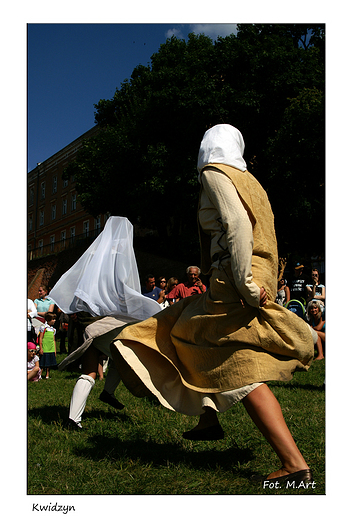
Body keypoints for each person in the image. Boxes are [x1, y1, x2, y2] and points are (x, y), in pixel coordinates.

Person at [110, 124, 316, 485]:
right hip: (246, 274)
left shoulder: (214, 172)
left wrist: (246, 285)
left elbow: (237, 226)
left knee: (233, 364)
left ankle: (294, 464)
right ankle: (208, 418)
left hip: (235, 278)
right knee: (185, 331)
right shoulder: (251, 182)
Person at [38, 312, 57, 379]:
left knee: (49, 363)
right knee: (43, 362)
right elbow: (41, 338)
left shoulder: (53, 329)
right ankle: (39, 374)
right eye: (53, 319)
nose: (54, 321)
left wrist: (54, 349)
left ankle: (47, 375)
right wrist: (41, 347)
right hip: (45, 348)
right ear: (48, 320)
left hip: (50, 348)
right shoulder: (43, 328)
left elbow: (54, 340)